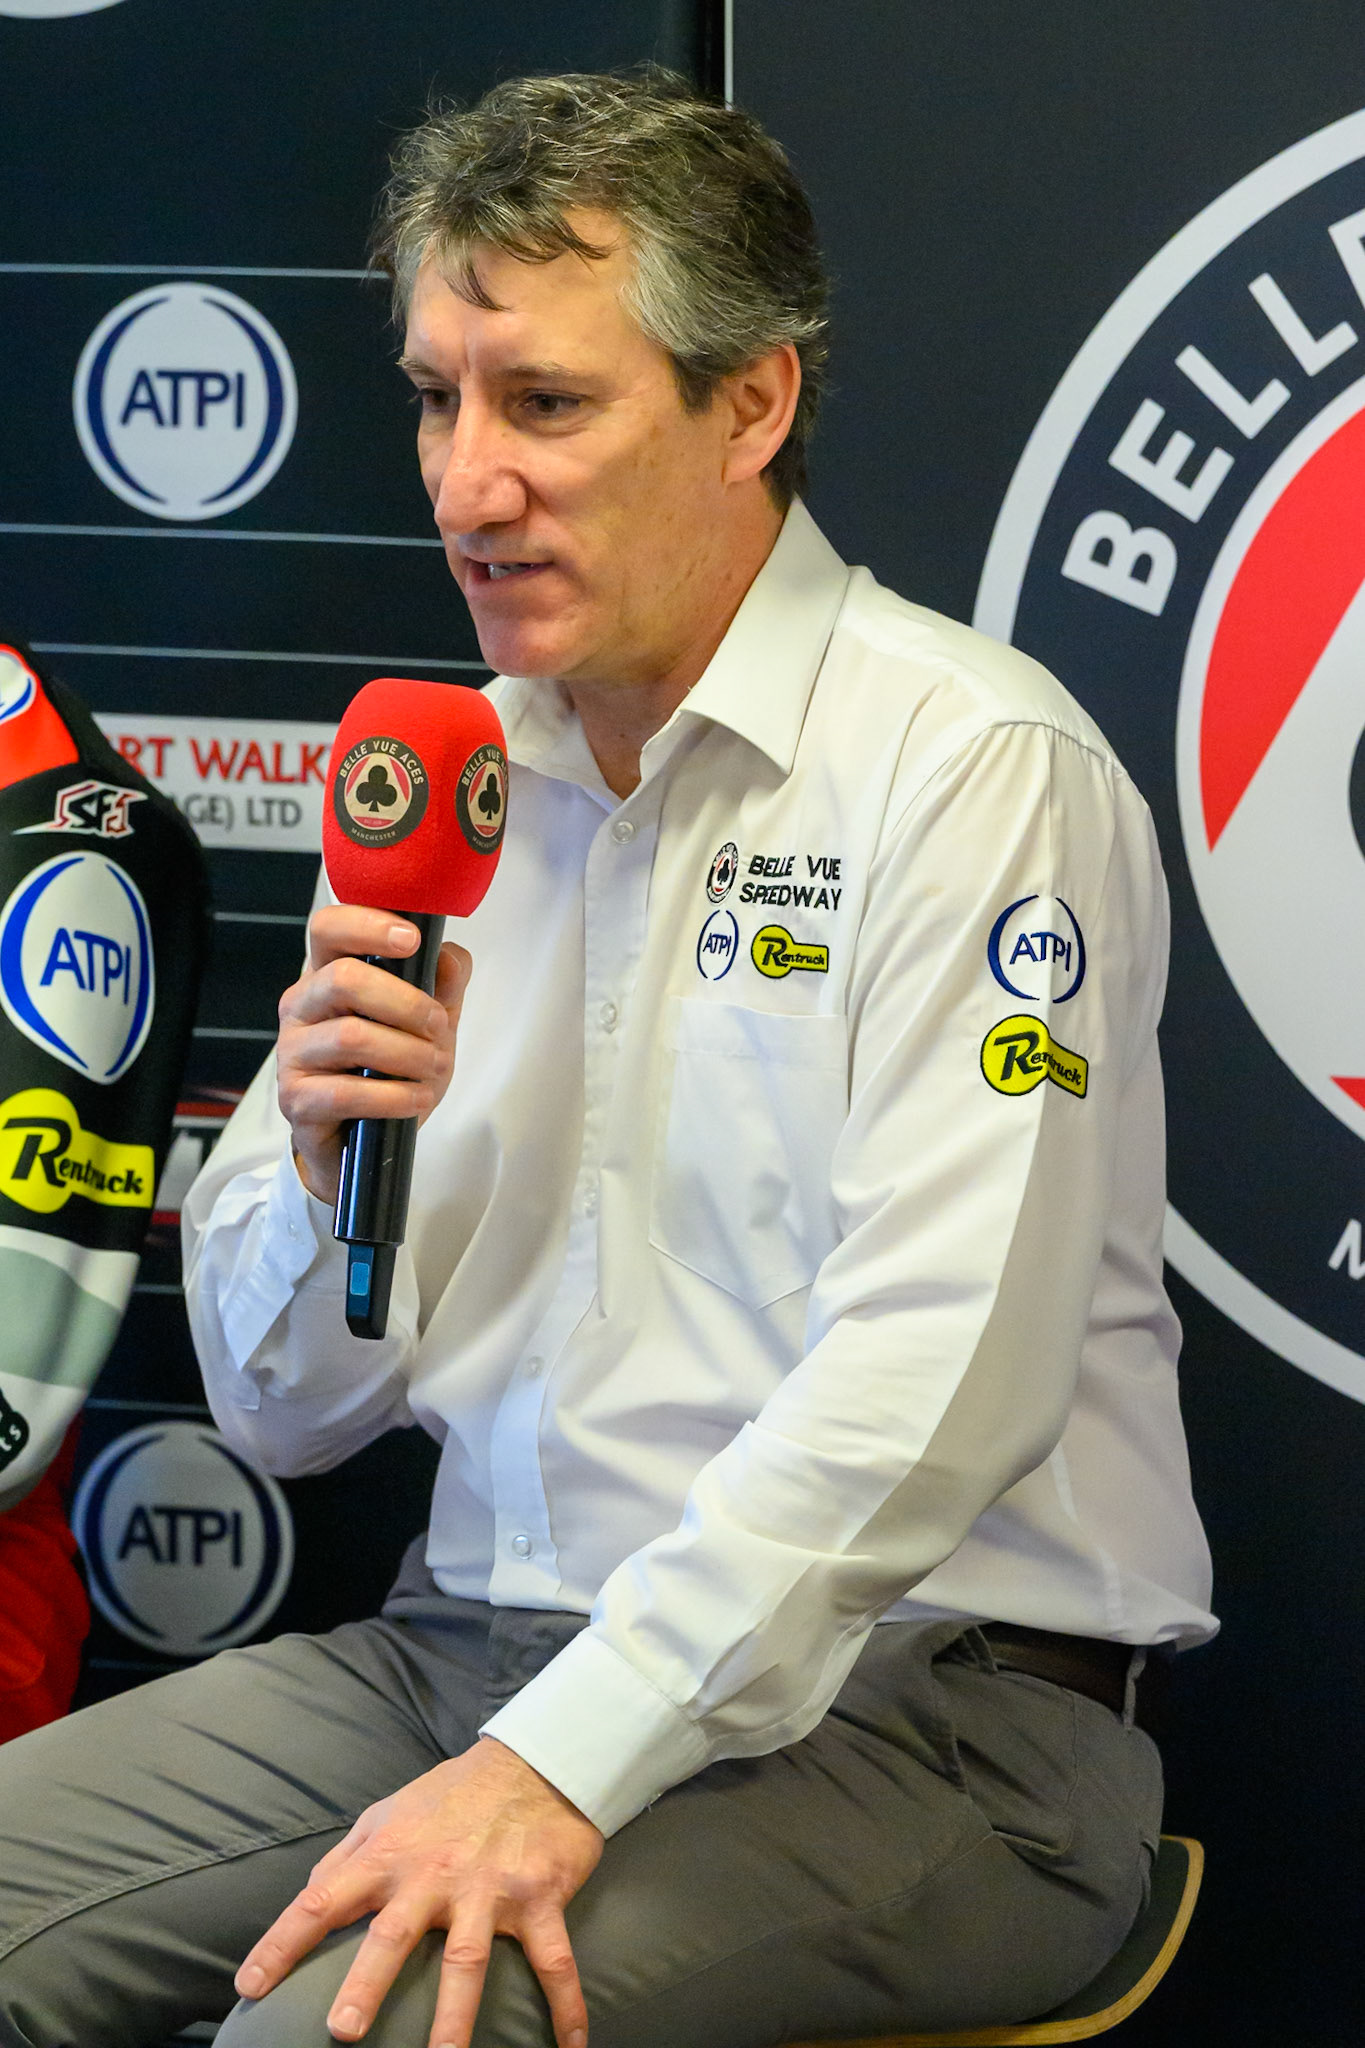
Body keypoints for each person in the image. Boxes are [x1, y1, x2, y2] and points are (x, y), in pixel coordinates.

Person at [0, 67, 1215, 2048]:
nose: (464, 481)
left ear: (752, 403)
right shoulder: (445, 784)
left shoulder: (969, 771)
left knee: (345, 2034)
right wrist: (321, 1170)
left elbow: (936, 1383)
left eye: (545, 405)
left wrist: (559, 1761)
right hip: (453, 1660)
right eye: (433, 395)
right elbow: (281, 1412)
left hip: (929, 1728)